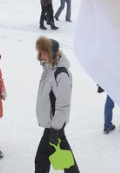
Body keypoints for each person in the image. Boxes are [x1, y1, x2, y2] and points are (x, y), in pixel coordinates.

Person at [34, 36, 79, 173]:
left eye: (45, 53)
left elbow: (63, 105)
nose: (42, 56)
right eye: (40, 52)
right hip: (52, 124)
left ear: (53, 54)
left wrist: (55, 128)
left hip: (54, 124)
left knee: (42, 159)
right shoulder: (49, 69)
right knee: (60, 159)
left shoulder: (61, 74)